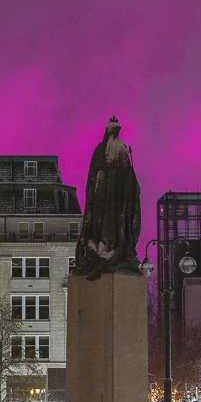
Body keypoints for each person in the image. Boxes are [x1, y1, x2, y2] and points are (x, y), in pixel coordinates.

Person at [73, 116, 142, 279]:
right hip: (110, 200)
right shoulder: (120, 148)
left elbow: (94, 177)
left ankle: (104, 252)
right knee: (109, 225)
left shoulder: (102, 149)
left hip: (105, 198)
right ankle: (104, 252)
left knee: (106, 225)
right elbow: (127, 176)